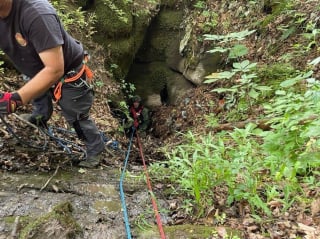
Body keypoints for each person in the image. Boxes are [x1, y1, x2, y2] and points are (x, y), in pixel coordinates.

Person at [0, 0, 105, 168]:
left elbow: (55, 69)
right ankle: (40, 116)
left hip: (67, 73)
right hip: (34, 66)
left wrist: (16, 99)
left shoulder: (37, 14)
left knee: (76, 116)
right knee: (37, 92)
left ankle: (95, 148)